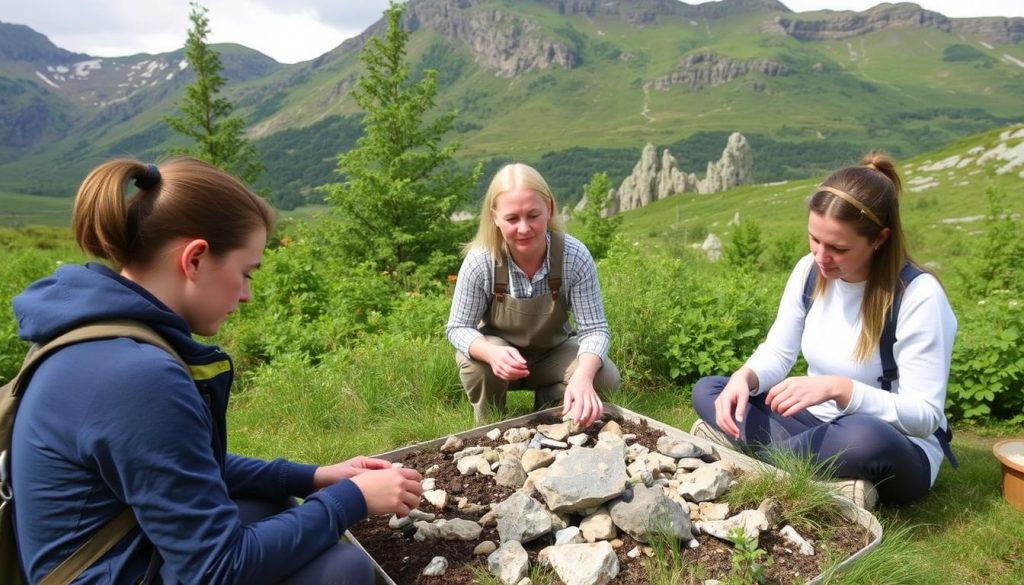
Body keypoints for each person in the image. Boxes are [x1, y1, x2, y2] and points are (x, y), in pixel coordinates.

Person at [10, 158, 422, 584]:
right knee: (343, 569)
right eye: (245, 273)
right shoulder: (137, 376)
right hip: (110, 569)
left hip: (113, 555)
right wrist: (350, 499)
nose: (246, 295)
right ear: (195, 259)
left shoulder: (97, 332)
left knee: (274, 502)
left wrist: (313, 478)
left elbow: (186, 466)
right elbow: (216, 569)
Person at [690, 152, 957, 509]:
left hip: (895, 443)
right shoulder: (809, 272)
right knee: (712, 390)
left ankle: (749, 457)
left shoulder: (918, 296)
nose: (820, 256)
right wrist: (745, 378)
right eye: (814, 240)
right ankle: (831, 482)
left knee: (866, 437)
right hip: (816, 428)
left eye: (838, 248)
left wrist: (841, 390)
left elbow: (924, 416)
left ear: (880, 239)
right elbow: (778, 352)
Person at [446, 163, 621, 427]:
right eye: (512, 218)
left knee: (604, 375)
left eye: (533, 215)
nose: (524, 228)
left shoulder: (574, 256)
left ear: (549, 209)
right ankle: (490, 424)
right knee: (476, 365)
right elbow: (457, 327)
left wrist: (583, 376)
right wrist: (489, 352)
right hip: (499, 360)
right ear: (494, 217)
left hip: (553, 353)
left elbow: (595, 329)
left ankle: (551, 404)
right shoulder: (481, 260)